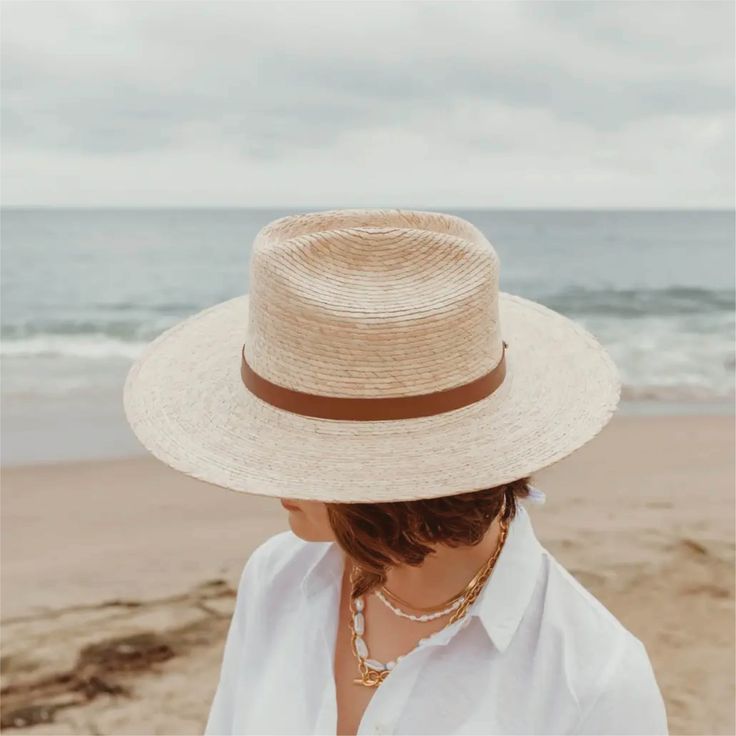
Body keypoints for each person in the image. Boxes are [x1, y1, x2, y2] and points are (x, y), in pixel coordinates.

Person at [124, 209, 669, 735]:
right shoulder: (277, 577)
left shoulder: (593, 682)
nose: (269, 477)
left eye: (295, 448)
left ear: (391, 486)